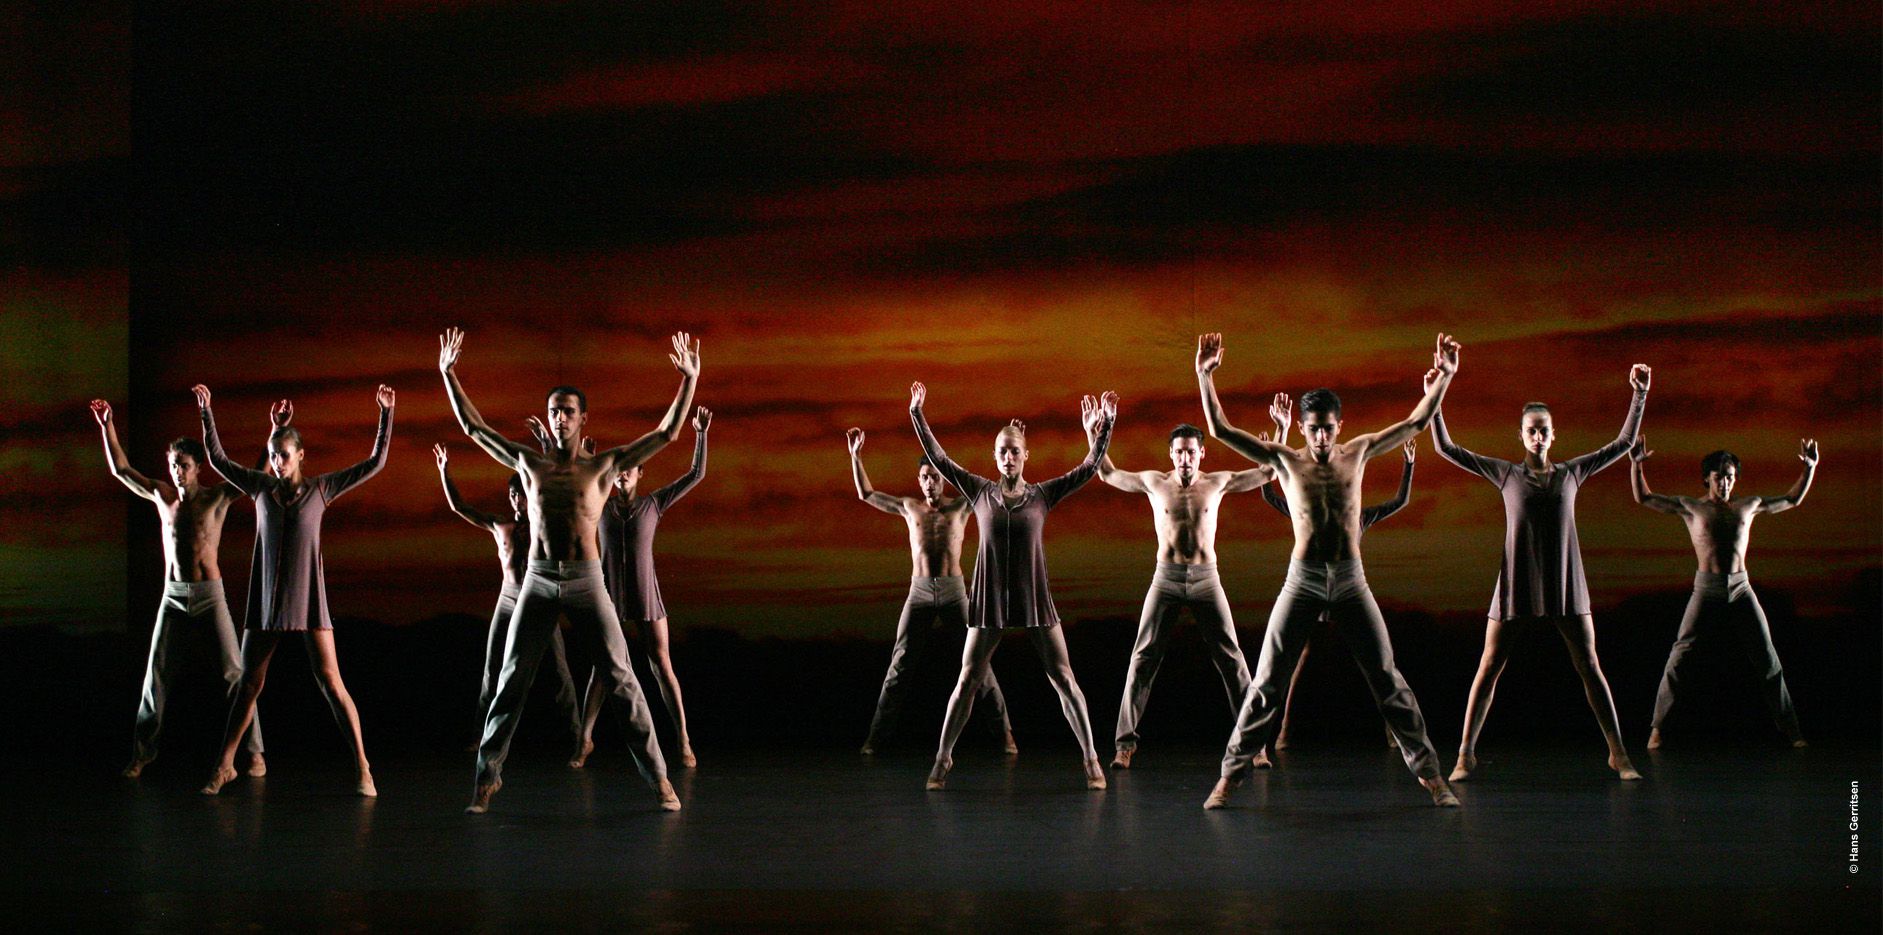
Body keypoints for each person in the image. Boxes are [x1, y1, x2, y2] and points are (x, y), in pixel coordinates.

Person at [1196, 332, 1460, 810]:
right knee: (1267, 683)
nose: (1321, 437)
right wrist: (1204, 374)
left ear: (1340, 426)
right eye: (1314, 429)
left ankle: (1431, 776)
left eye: (1328, 429)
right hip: (1303, 579)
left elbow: (1416, 422)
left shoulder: (1357, 451)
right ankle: (1229, 777)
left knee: (1387, 677)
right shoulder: (1284, 459)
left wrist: (1444, 376)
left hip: (1351, 578)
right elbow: (1220, 430)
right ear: (1302, 428)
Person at [440, 327, 697, 814]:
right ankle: (485, 782)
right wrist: (448, 374)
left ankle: (661, 780)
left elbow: (666, 434)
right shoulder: (528, 464)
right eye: (554, 411)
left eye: (568, 411)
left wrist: (689, 379)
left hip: (586, 580)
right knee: (511, 680)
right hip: (537, 580)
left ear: (583, 419)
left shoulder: (604, 466)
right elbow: (475, 429)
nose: (560, 418)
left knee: (622, 679)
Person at [1432, 363, 1651, 782]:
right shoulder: (1506, 474)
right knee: (1489, 666)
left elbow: (1623, 443)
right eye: (1531, 430)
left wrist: (1639, 394)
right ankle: (1464, 756)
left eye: (1544, 430)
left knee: (1589, 665)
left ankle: (1619, 755)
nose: (1538, 436)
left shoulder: (1572, 473)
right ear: (1521, 435)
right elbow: (1446, 448)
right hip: (1517, 582)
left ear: (1553, 435)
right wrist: (1438, 393)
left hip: (1565, 581)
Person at [910, 384, 1116, 791]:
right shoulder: (979, 491)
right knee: (967, 681)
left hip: (1033, 597)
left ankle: (1091, 760)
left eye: (1015, 451)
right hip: (989, 601)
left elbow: (1088, 467)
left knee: (1064, 679)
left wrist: (1105, 426)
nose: (1008, 457)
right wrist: (917, 413)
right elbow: (939, 458)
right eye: (1002, 451)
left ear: (1025, 456)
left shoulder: (1042, 495)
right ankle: (942, 760)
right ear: (995, 456)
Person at [196, 385, 392, 797]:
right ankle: (224, 766)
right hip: (267, 602)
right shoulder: (260, 488)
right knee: (248, 686)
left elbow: (374, 463)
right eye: (273, 455)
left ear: (301, 455)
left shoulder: (321, 489)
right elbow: (217, 460)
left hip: (308, 599)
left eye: (284, 455)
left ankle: (363, 767)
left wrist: (385, 415)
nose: (277, 462)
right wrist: (207, 413)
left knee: (332, 684)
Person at [1082, 400, 1277, 769]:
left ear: (1201, 454)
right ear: (1170, 454)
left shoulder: (1218, 482)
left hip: (1206, 579)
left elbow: (1268, 472)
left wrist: (1280, 430)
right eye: (1179, 452)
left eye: (1190, 452)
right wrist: (1095, 432)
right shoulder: (1154, 482)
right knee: (1142, 660)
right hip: (1166, 578)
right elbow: (1106, 473)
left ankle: (1254, 745)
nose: (1185, 459)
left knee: (1233, 660)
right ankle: (1124, 746)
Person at [91, 399, 264, 779]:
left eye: (183, 465)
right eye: (172, 465)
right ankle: (142, 754)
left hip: (210, 596)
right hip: (173, 598)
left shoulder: (216, 497)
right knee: (155, 677)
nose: (177, 471)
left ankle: (253, 753)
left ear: (198, 467)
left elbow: (255, 476)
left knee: (234, 676)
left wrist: (275, 430)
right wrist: (107, 426)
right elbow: (121, 470)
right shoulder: (162, 495)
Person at [1630, 436, 1816, 749]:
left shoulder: (1749, 505)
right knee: (1680, 658)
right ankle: (1657, 729)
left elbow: (1792, 500)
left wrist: (1809, 468)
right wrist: (1636, 465)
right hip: (1707, 587)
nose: (1725, 483)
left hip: (1741, 588)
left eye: (1729, 477)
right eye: (1718, 477)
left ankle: (1793, 730)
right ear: (1707, 478)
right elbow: (1644, 498)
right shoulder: (1692, 507)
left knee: (1767, 658)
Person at [1258, 396, 1417, 753]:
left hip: (1346, 585)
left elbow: (1399, 502)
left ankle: (1393, 731)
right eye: (1313, 429)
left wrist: (1409, 464)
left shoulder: (1361, 517)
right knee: (1299, 657)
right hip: (1311, 581)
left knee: (1374, 662)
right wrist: (1273, 451)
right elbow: (1272, 495)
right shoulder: (1305, 504)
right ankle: (1283, 730)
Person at [847, 428, 1016, 757]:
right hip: (920, 593)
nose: (930, 483)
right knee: (899, 667)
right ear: (919, 480)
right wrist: (856, 456)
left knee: (979, 664)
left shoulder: (961, 507)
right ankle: (875, 738)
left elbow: (999, 491)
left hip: (955, 593)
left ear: (944, 480)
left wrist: (1010, 451)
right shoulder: (909, 507)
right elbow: (866, 494)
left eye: (935, 477)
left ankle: (1006, 736)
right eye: (925, 477)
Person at [575, 405, 713, 770]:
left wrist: (700, 434)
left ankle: (683, 739)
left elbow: (696, 474)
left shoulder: (653, 504)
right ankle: (584, 740)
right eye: (618, 469)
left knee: (661, 664)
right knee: (602, 669)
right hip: (609, 595)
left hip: (645, 593)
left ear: (640, 472)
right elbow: (578, 484)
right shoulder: (600, 506)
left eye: (630, 468)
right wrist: (585, 458)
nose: (622, 473)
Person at [433, 443, 586, 760]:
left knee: (559, 671)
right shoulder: (500, 525)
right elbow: (460, 507)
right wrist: (444, 471)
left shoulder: (542, 525)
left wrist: (554, 450)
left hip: (538, 599)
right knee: (492, 670)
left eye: (521, 493)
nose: (517, 499)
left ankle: (577, 737)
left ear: (531, 495)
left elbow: (565, 499)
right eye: (512, 494)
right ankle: (480, 734)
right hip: (507, 599)